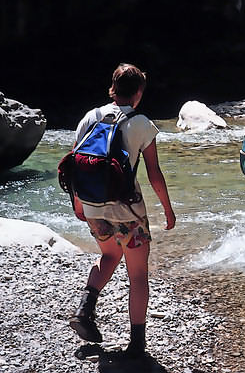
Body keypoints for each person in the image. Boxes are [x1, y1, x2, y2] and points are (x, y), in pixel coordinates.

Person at [68, 63, 176, 358]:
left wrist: (78, 203)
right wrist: (168, 210)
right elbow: (154, 173)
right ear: (139, 92)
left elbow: (76, 162)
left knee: (109, 254)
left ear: (113, 88)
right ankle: (137, 345)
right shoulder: (142, 124)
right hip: (127, 211)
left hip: (93, 205)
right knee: (138, 274)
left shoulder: (90, 116)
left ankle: (85, 309)